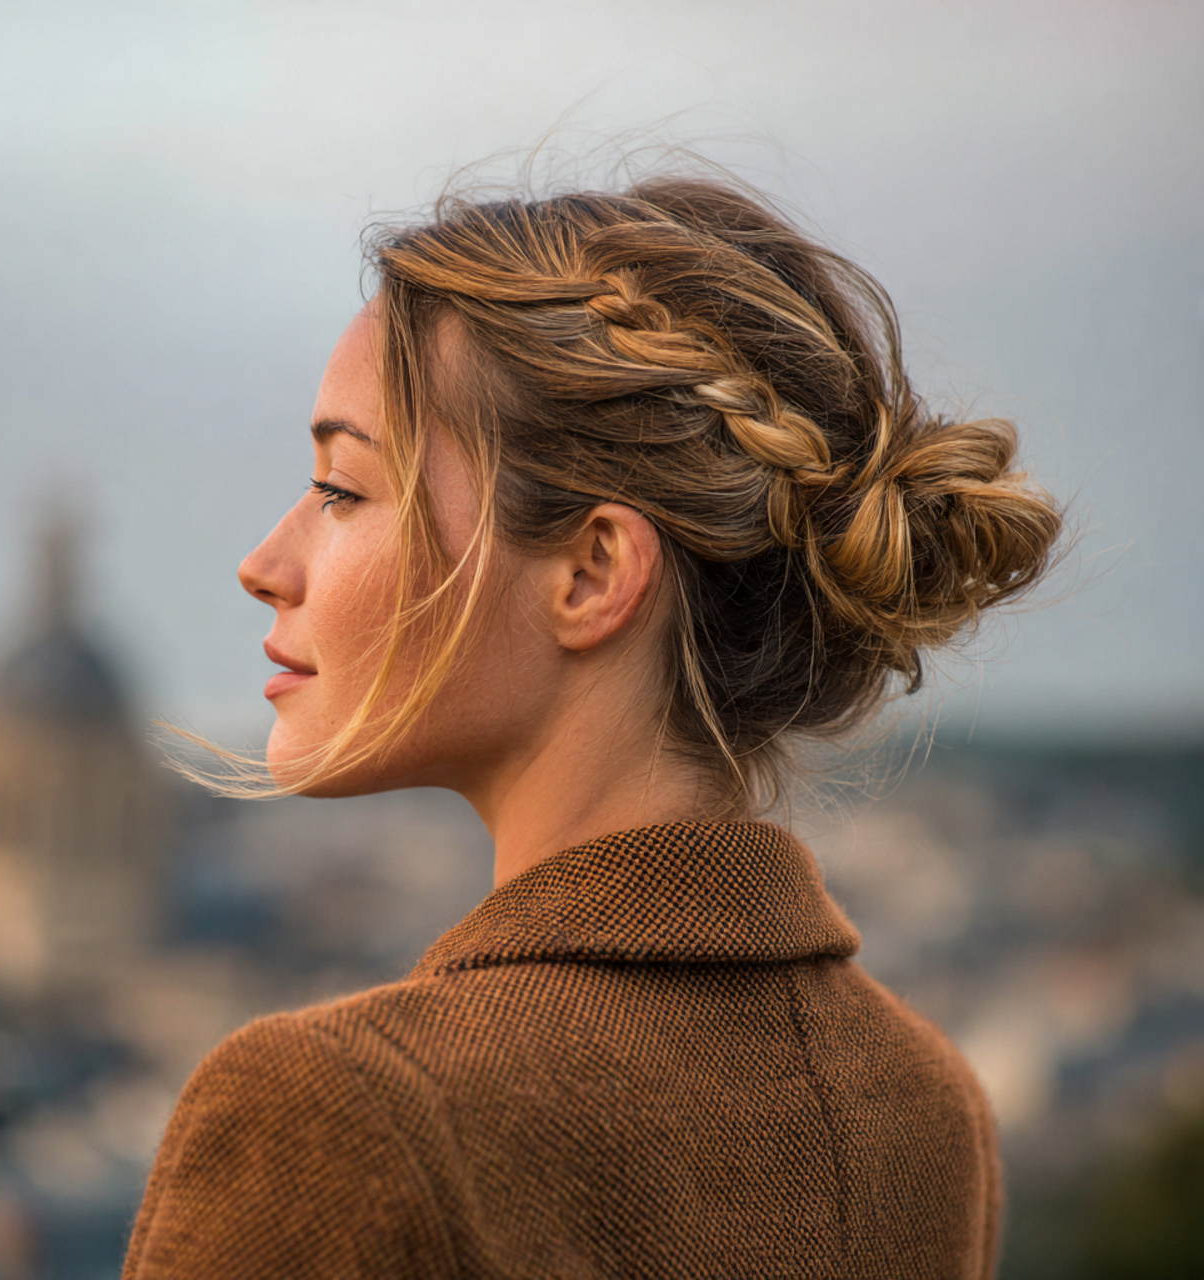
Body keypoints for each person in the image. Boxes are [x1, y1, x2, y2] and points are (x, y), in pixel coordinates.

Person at [122, 173, 1061, 1279]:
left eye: (343, 490)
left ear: (591, 572)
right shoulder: (925, 1103)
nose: (263, 563)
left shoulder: (339, 1115)